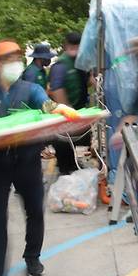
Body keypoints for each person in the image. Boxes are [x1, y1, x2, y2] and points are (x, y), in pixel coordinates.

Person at [0, 40, 71, 276]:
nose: (14, 62)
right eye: (8, 58)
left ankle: (32, 257)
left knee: (35, 211)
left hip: (27, 161)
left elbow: (47, 107)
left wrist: (62, 112)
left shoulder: (31, 89)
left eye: (17, 57)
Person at [49, 32, 90, 175]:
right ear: (66, 46)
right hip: (65, 112)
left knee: (70, 142)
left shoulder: (80, 62)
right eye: (72, 46)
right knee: (63, 142)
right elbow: (57, 89)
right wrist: (68, 110)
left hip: (78, 109)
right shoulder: (60, 65)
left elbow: (88, 82)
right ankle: (65, 169)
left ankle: (71, 165)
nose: (75, 49)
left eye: (78, 46)